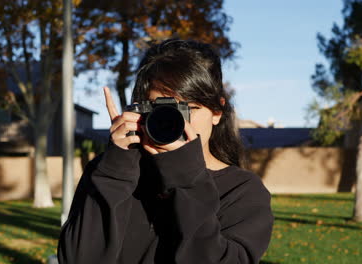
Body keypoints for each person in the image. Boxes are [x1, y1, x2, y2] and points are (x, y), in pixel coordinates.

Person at [57, 39, 274, 264]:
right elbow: (75, 259)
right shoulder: (113, 171)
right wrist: (115, 169)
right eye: (161, 110)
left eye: (187, 109)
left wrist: (186, 177)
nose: (175, 122)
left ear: (217, 111)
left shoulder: (243, 191)